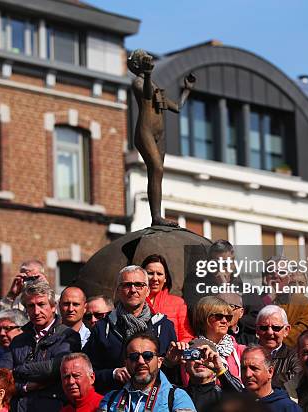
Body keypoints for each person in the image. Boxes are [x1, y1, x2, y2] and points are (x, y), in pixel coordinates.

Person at [126, 48, 194, 227]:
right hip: (145, 132)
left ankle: (157, 215)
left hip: (159, 136)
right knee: (156, 169)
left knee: (156, 175)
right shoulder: (138, 82)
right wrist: (148, 75)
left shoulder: (154, 85)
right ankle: (156, 217)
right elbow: (146, 95)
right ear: (137, 64)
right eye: (144, 60)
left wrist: (186, 90)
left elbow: (177, 107)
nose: (148, 61)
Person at [84, 265, 177, 394]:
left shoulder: (164, 326)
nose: (133, 290)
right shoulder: (102, 328)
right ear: (118, 290)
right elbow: (87, 372)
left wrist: (170, 363)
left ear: (148, 290)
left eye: (139, 285)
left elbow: (174, 376)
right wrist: (113, 373)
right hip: (115, 399)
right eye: (127, 285)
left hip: (155, 401)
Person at [0, 281, 81, 412]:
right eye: (31, 306)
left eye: (41, 304)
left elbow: (54, 368)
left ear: (53, 307)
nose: (36, 311)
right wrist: (24, 387)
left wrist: (17, 371)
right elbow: (0, 377)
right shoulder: (18, 340)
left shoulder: (68, 336)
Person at [98, 332, 196, 411]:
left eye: (147, 356)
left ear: (159, 362)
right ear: (126, 363)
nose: (141, 361)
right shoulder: (110, 400)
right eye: (134, 357)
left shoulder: (177, 398)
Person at [260, 256, 308, 348]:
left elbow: (301, 335)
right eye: (271, 272)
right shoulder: (252, 300)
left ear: (289, 277)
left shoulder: (304, 303)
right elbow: (249, 329)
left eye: (282, 272)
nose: (276, 275)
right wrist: (268, 298)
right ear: (264, 277)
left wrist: (267, 338)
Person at [180, 338, 243, 412]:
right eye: (195, 355)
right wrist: (169, 363)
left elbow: (244, 402)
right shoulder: (177, 395)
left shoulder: (224, 396)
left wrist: (220, 369)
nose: (201, 361)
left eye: (206, 355)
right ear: (185, 361)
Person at [189, 296, 244, 379]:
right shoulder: (193, 350)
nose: (224, 321)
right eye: (219, 316)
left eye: (228, 317)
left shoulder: (241, 350)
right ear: (203, 318)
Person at [141, 254, 193, 342]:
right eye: (150, 273)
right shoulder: (134, 302)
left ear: (165, 278)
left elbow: (187, 336)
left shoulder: (178, 303)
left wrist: (180, 347)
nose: (155, 278)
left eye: (159, 274)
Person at [240, 345, 301, 412]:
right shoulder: (234, 404)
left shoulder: (288, 408)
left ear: (270, 372)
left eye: (254, 368)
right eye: (243, 369)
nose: (247, 374)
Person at [255, 305, 301, 388]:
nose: (269, 332)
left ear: (286, 330)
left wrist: (260, 379)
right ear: (257, 330)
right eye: (264, 328)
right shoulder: (246, 354)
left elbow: (296, 378)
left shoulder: (296, 356)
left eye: (276, 328)